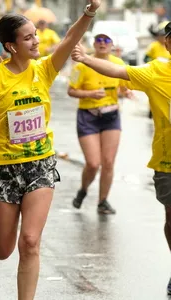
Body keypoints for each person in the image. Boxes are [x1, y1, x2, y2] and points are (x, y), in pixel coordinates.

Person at [0, 1, 101, 298]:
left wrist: (89, 12)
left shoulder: (44, 70)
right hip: (1, 168)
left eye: (35, 35)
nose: (36, 40)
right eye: (27, 38)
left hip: (39, 164)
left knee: (29, 241)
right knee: (4, 249)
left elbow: (69, 39)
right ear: (11, 46)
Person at [71, 20, 171, 296]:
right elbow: (117, 70)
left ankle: (102, 199)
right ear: (167, 44)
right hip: (167, 161)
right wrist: (85, 59)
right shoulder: (156, 70)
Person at [68, 30, 132, 214]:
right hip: (88, 116)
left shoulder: (119, 64)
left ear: (112, 44)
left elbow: (123, 88)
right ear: (94, 43)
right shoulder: (81, 65)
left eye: (106, 40)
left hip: (111, 116)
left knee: (108, 162)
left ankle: (102, 201)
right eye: (98, 39)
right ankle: (83, 190)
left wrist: (126, 93)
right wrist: (90, 94)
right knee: (93, 163)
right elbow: (71, 90)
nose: (102, 43)